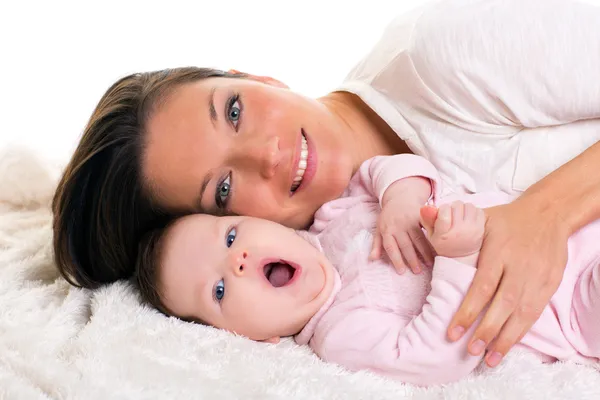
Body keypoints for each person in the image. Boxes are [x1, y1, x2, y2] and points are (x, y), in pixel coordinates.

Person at [52, 0, 600, 368]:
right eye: (222, 188)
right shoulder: (345, 273)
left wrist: (548, 212)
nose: (266, 152)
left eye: (235, 110)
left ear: (254, 76)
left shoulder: (445, 56)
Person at [133, 154, 600, 386]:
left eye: (232, 237)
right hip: (567, 305)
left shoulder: (332, 217)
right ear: (249, 338)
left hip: (572, 222)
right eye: (218, 290)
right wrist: (458, 258)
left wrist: (402, 196)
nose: (236, 261)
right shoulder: (341, 333)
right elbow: (432, 358)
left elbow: (380, 167)